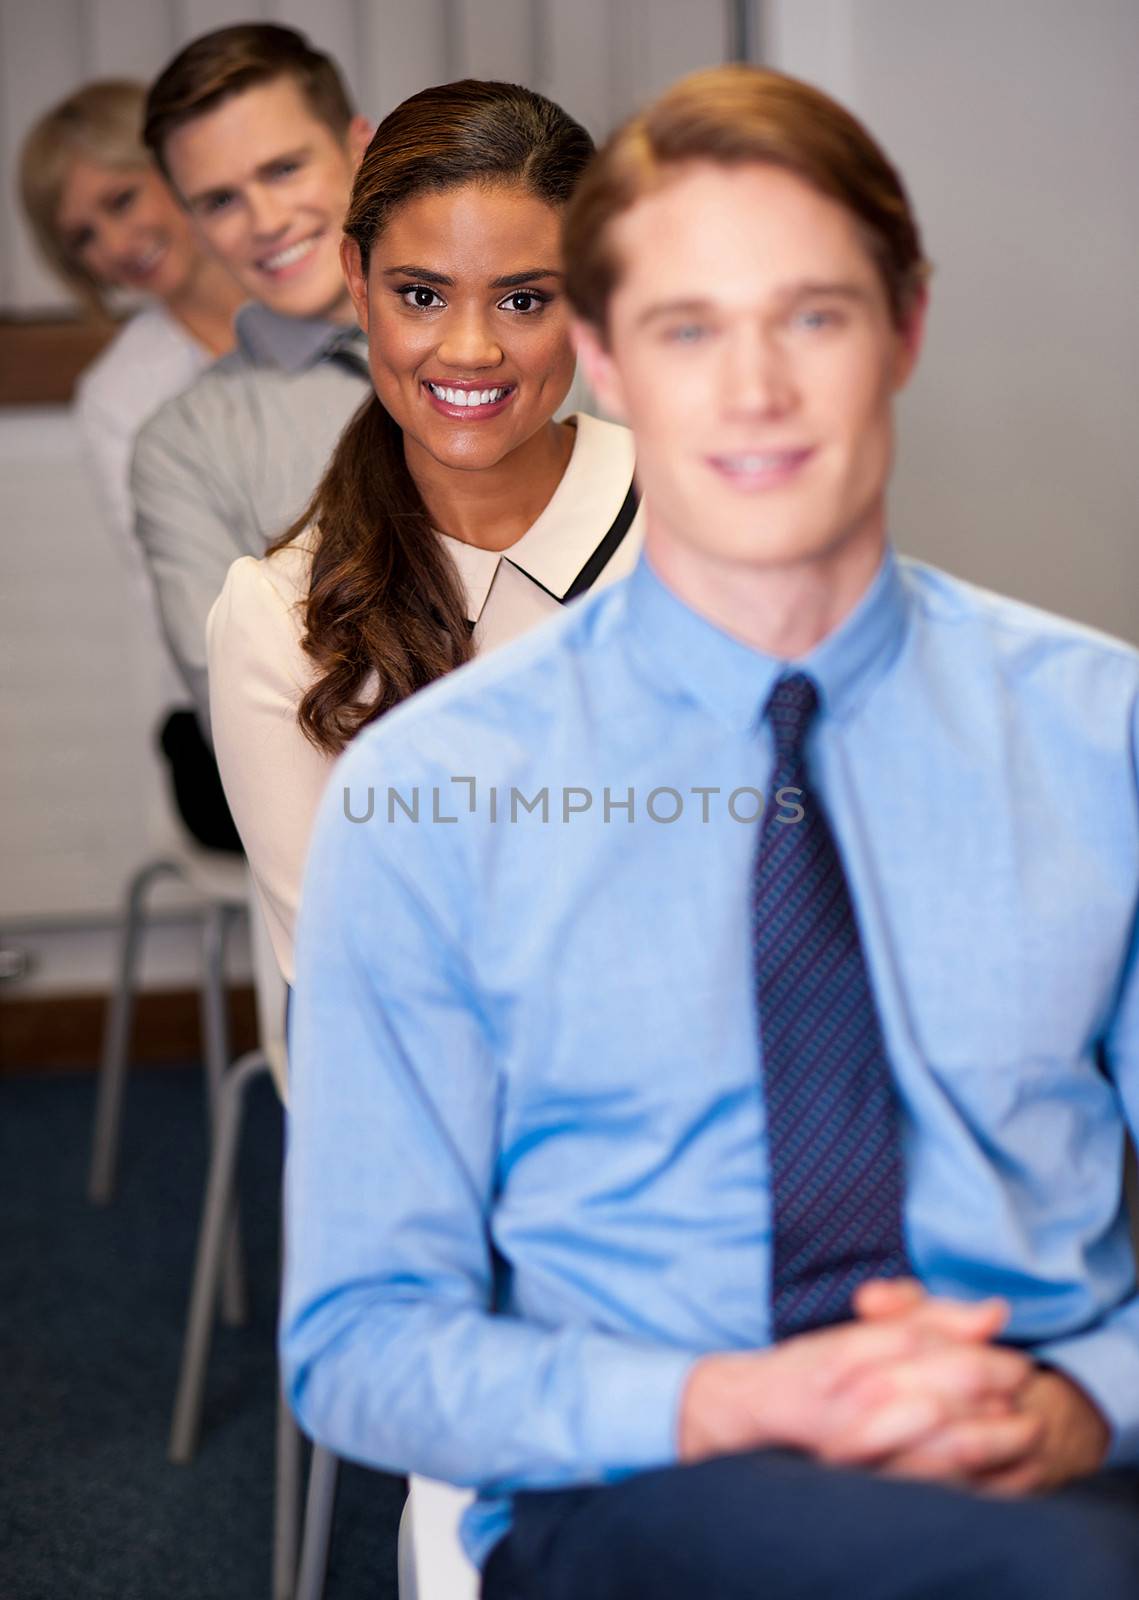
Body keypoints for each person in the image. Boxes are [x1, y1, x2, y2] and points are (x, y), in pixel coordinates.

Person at [281, 65, 1139, 1599]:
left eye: (809, 316)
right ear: (609, 355)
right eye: (687, 329)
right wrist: (725, 1402)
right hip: (643, 1488)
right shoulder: (427, 796)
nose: (752, 390)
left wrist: (1081, 1404)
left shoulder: (1101, 736)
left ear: (904, 329)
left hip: (1052, 1466)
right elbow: (359, 1345)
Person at [206, 80, 643, 983]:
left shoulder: (712, 520)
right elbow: (360, 979)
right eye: (422, 296)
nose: (470, 350)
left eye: (523, 300)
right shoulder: (279, 613)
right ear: (358, 287)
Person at [19, 80, 246, 848]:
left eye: (119, 201)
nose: (114, 247)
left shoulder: (333, 303)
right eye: (82, 236)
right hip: (222, 723)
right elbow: (185, 602)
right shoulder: (118, 394)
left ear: (178, 164)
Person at [129, 23, 374, 732]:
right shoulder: (184, 447)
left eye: (283, 169)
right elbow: (243, 718)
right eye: (220, 200)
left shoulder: (545, 333)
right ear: (193, 224)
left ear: (362, 148)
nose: (265, 220)